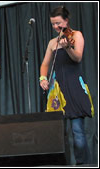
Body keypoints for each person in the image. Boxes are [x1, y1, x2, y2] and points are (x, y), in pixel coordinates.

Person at [39, 6, 94, 165]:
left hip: (74, 87)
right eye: (53, 24)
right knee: (57, 133)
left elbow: (77, 58)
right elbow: (44, 64)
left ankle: (83, 164)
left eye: (58, 23)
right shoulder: (52, 43)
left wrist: (67, 47)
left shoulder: (76, 35)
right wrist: (43, 78)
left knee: (78, 132)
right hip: (57, 90)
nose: (56, 27)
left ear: (66, 20)